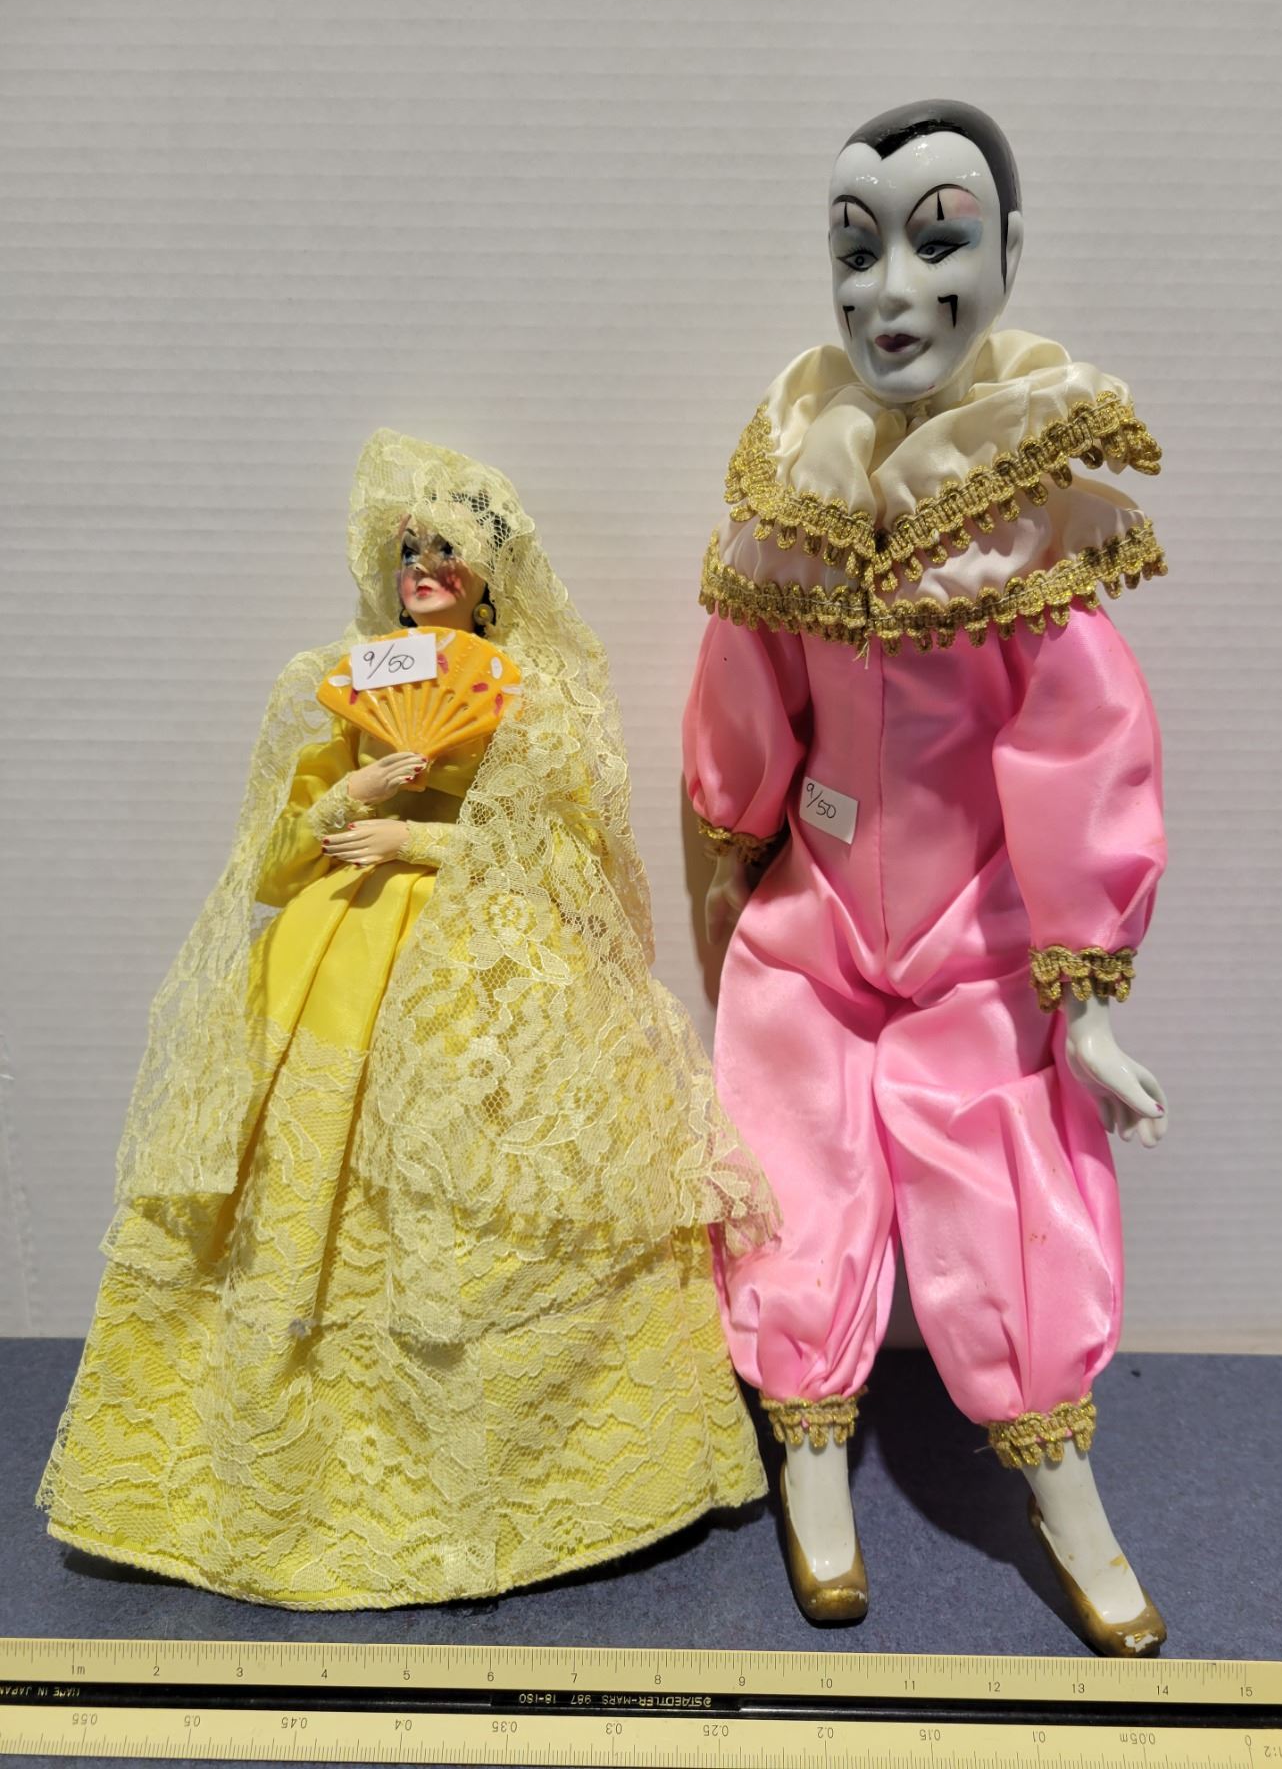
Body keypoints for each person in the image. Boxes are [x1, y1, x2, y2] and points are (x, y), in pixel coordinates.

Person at [40, 429, 772, 1608]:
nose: (425, 567)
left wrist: (425, 840)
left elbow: (564, 863)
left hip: (485, 975)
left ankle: (532, 1483)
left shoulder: (533, 694)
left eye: (448, 549)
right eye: (409, 549)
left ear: (491, 572)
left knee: (497, 1195)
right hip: (332, 964)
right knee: (303, 1202)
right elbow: (271, 865)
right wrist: (357, 791)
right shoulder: (344, 680)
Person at [683, 101, 1170, 1651]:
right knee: (789, 1158)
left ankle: (1061, 1484)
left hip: (980, 929)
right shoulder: (793, 481)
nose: (889, 289)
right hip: (815, 919)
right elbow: (745, 688)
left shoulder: (1019, 505)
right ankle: (808, 1449)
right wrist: (724, 855)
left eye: (937, 240)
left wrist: (1086, 988)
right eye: (855, 250)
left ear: (1006, 255)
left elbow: (1079, 743)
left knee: (1010, 1176)